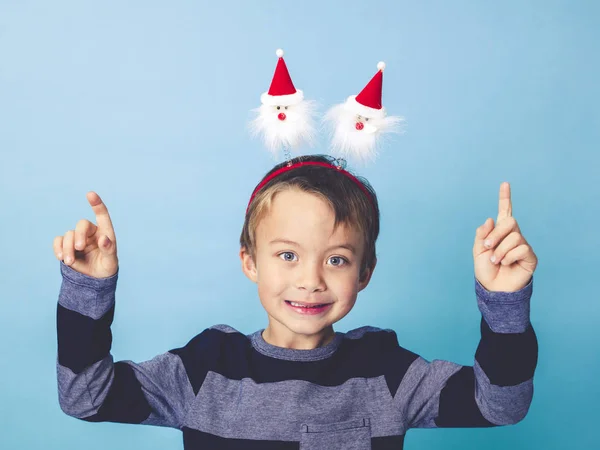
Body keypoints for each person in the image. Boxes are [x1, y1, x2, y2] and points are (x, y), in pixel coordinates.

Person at [53, 154, 539, 449]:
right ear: (250, 261)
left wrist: (505, 301)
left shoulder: (387, 372)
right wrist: (87, 288)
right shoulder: (204, 370)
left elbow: (501, 406)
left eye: (337, 260)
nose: (310, 281)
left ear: (365, 272)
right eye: (287, 254)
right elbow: (84, 398)